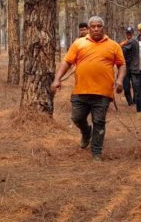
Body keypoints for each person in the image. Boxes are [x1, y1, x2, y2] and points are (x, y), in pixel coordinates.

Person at [51, 16, 125, 161]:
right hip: (81, 91)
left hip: (103, 93)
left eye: (99, 26)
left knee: (99, 121)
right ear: (89, 28)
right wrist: (57, 79)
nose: (96, 29)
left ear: (103, 28)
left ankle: (96, 152)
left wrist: (120, 80)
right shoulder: (79, 43)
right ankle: (86, 133)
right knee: (76, 117)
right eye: (93, 26)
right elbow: (67, 62)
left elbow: (121, 64)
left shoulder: (113, 45)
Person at [119, 27, 136, 106]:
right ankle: (130, 102)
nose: (129, 35)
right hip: (125, 67)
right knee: (126, 86)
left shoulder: (135, 43)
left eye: (130, 33)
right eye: (127, 33)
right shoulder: (122, 44)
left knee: (136, 85)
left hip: (134, 67)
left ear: (133, 34)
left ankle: (136, 101)